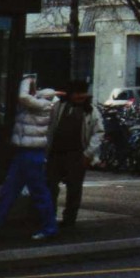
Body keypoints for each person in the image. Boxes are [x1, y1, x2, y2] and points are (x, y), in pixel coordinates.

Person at [0, 75, 61, 241]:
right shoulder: (42, 105)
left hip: (30, 153)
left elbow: (23, 97)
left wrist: (27, 79)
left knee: (34, 192)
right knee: (12, 192)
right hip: (27, 153)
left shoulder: (44, 104)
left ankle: (49, 227)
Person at [46, 80, 104, 229]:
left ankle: (69, 220)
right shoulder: (58, 107)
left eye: (83, 92)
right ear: (70, 93)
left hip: (77, 155)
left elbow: (98, 133)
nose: (81, 96)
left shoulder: (91, 110)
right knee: (51, 186)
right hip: (56, 153)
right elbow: (50, 127)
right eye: (77, 93)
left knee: (74, 189)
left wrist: (88, 154)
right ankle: (49, 217)